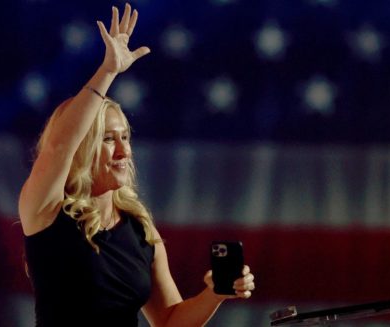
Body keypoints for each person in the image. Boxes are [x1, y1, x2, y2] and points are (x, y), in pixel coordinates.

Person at [18, 3, 256, 326]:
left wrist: (215, 293)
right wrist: (108, 72)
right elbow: (59, 146)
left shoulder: (140, 230)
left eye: (126, 137)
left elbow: (169, 320)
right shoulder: (47, 212)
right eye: (107, 139)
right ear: (83, 149)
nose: (123, 151)